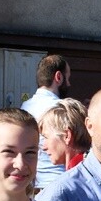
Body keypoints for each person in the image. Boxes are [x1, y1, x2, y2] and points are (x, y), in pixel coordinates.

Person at [22, 54, 74, 189]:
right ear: (58, 77)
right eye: (67, 78)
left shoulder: (24, 107)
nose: (69, 83)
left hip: (32, 184)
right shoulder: (62, 108)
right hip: (58, 182)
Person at [40, 98, 90, 170]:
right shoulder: (92, 167)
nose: (44, 147)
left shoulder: (77, 176)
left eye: (46, 137)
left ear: (67, 136)